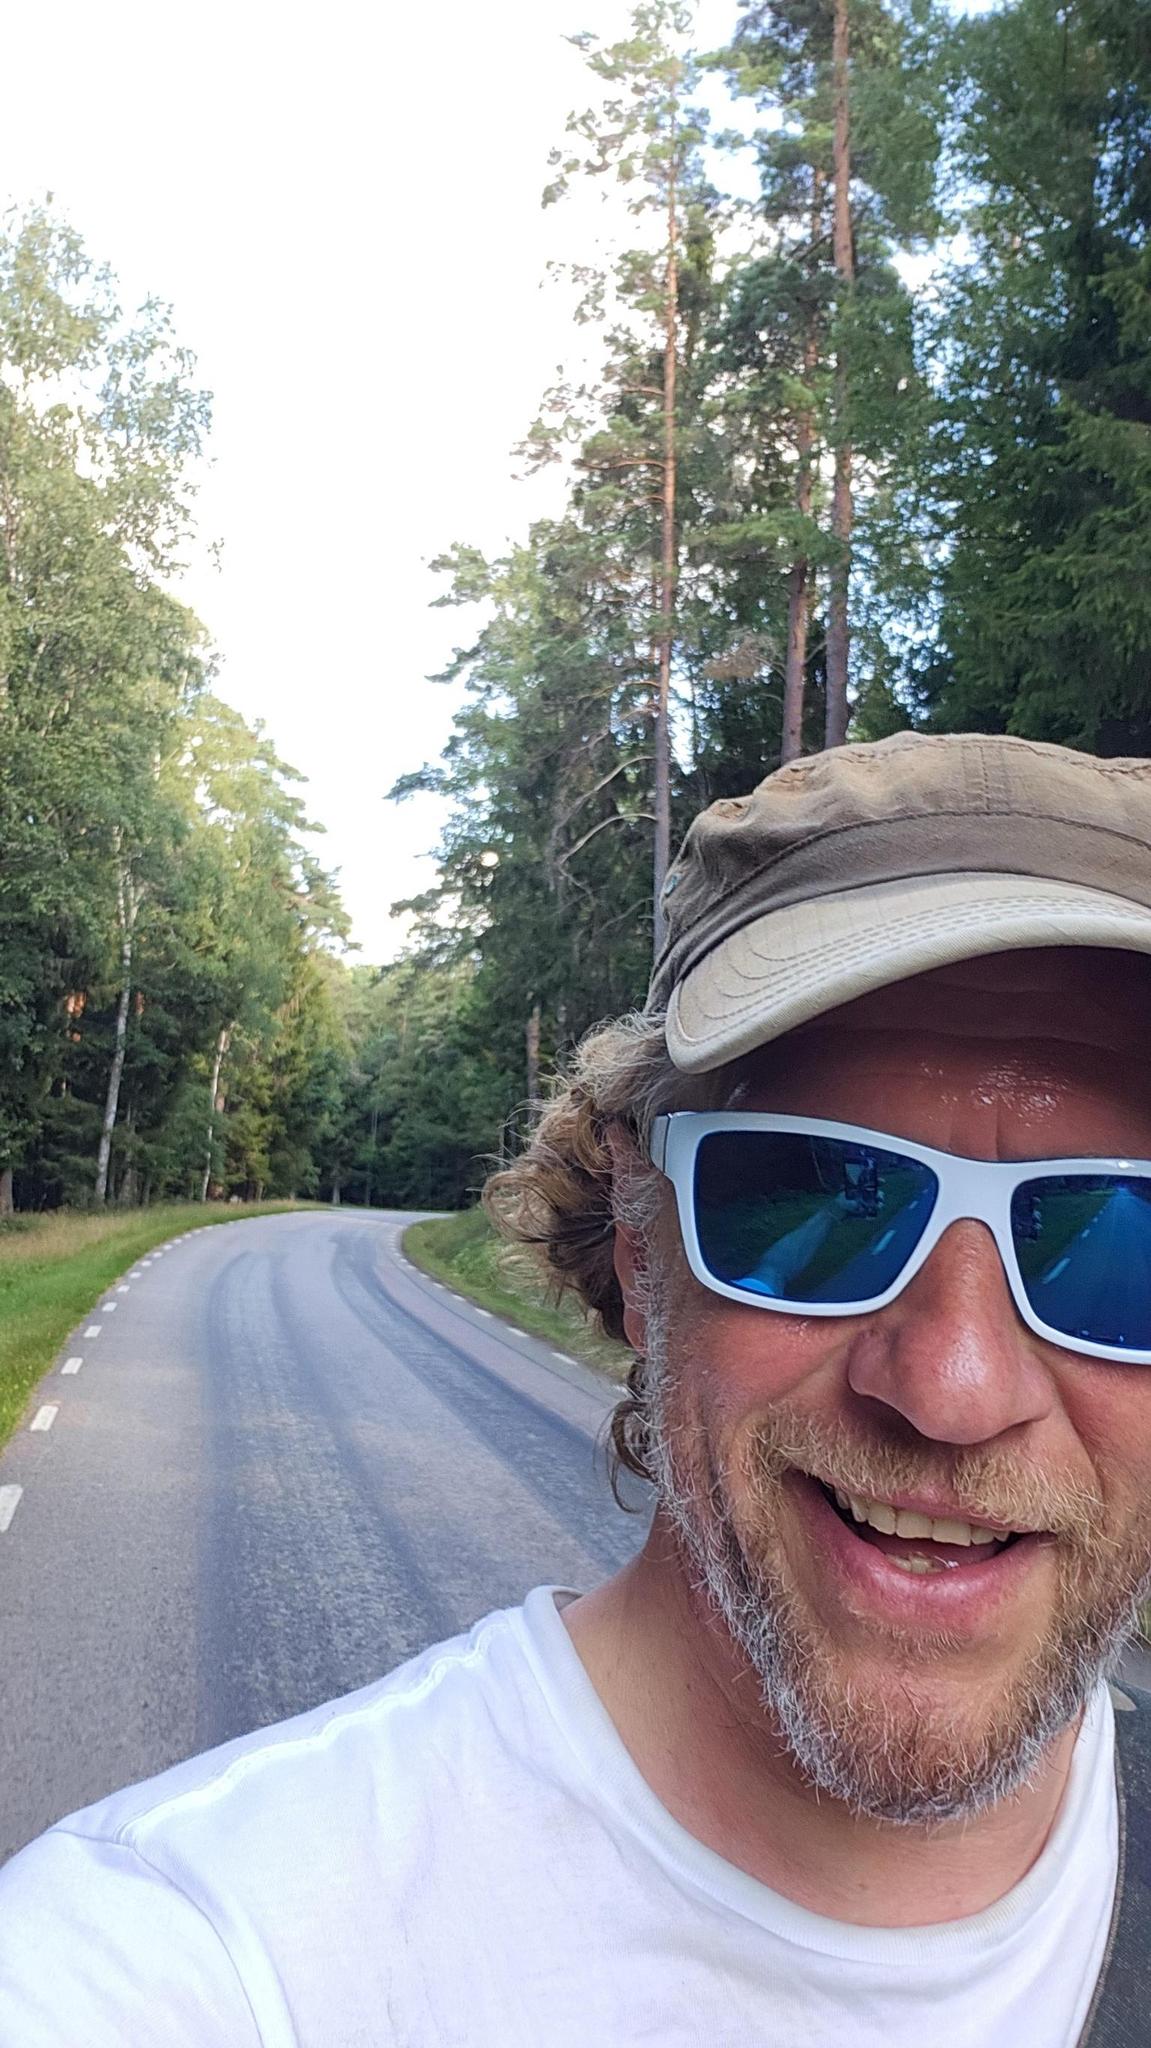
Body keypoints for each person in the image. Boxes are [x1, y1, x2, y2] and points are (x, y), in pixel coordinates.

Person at [4, 729, 1151, 2046]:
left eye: (1117, 1244)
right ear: (640, 1246)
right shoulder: (202, 1955)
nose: (952, 1388)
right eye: (818, 1202)